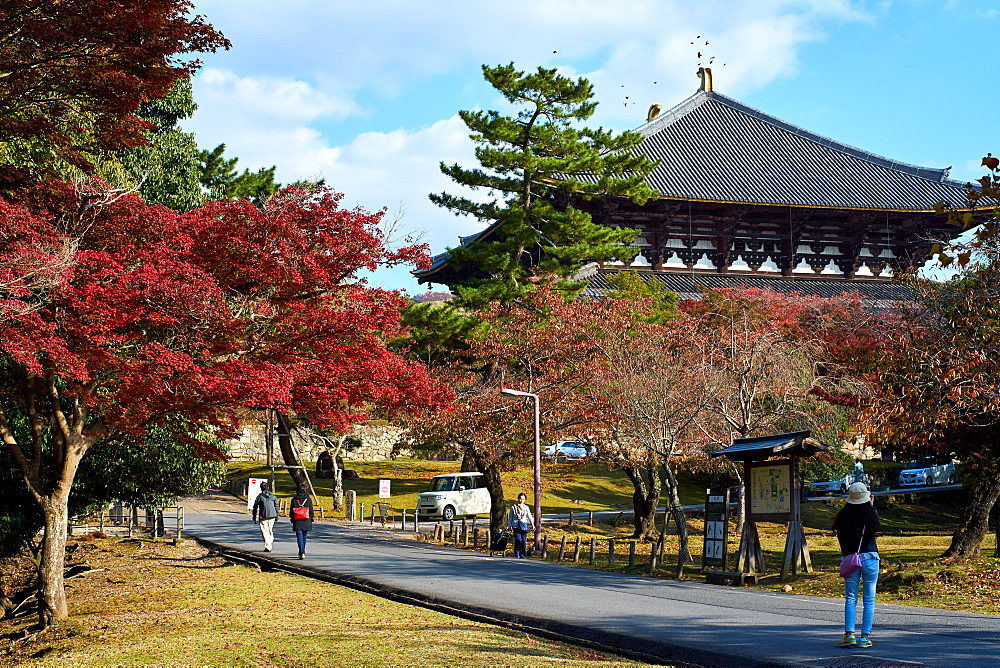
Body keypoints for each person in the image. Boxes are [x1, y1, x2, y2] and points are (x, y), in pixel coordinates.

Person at [833, 481, 881, 649]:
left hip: (850, 560)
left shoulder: (842, 517)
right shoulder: (870, 515)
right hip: (870, 558)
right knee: (869, 599)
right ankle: (864, 637)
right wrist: (871, 507)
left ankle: (849, 635)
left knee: (851, 598)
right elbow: (875, 529)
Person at [251, 481, 280, 552]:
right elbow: (276, 505)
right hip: (272, 515)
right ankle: (270, 540)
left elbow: (255, 507)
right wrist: (277, 515)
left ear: (261, 488)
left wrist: (254, 516)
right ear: (268, 488)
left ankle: (268, 545)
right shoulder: (273, 496)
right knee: (270, 529)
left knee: (264, 531)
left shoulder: (260, 497)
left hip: (263, 516)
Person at [289, 483, 314, 559]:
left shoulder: (294, 499)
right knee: (304, 536)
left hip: (297, 519)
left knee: (299, 536)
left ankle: (301, 552)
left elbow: (291, 511)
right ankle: (303, 551)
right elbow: (311, 510)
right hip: (306, 519)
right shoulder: (308, 499)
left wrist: (292, 519)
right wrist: (311, 518)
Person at [507, 492, 534, 558]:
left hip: (524, 526)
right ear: (518, 499)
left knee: (524, 541)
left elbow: (529, 516)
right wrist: (509, 525)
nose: (521, 501)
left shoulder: (526, 507)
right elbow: (510, 517)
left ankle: (523, 554)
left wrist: (532, 524)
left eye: (523, 499)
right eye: (520, 499)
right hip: (516, 526)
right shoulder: (513, 507)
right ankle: (516, 552)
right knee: (518, 539)